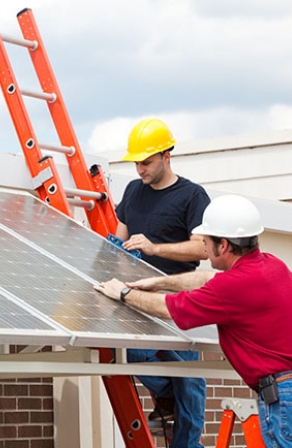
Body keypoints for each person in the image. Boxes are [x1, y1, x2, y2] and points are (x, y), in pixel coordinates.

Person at [95, 194, 292, 448]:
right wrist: (159, 281)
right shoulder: (274, 266)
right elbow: (206, 279)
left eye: (206, 242)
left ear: (222, 245)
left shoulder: (232, 287)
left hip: (290, 399)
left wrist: (124, 293)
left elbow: (169, 308)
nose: (204, 248)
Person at [115, 118, 210, 448]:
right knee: (132, 355)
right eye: (136, 162)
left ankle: (187, 444)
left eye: (146, 162)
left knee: (189, 377)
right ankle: (167, 396)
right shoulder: (132, 191)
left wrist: (154, 248)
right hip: (138, 294)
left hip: (177, 295)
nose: (140, 168)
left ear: (166, 156)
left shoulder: (192, 196)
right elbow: (118, 238)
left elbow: (203, 248)